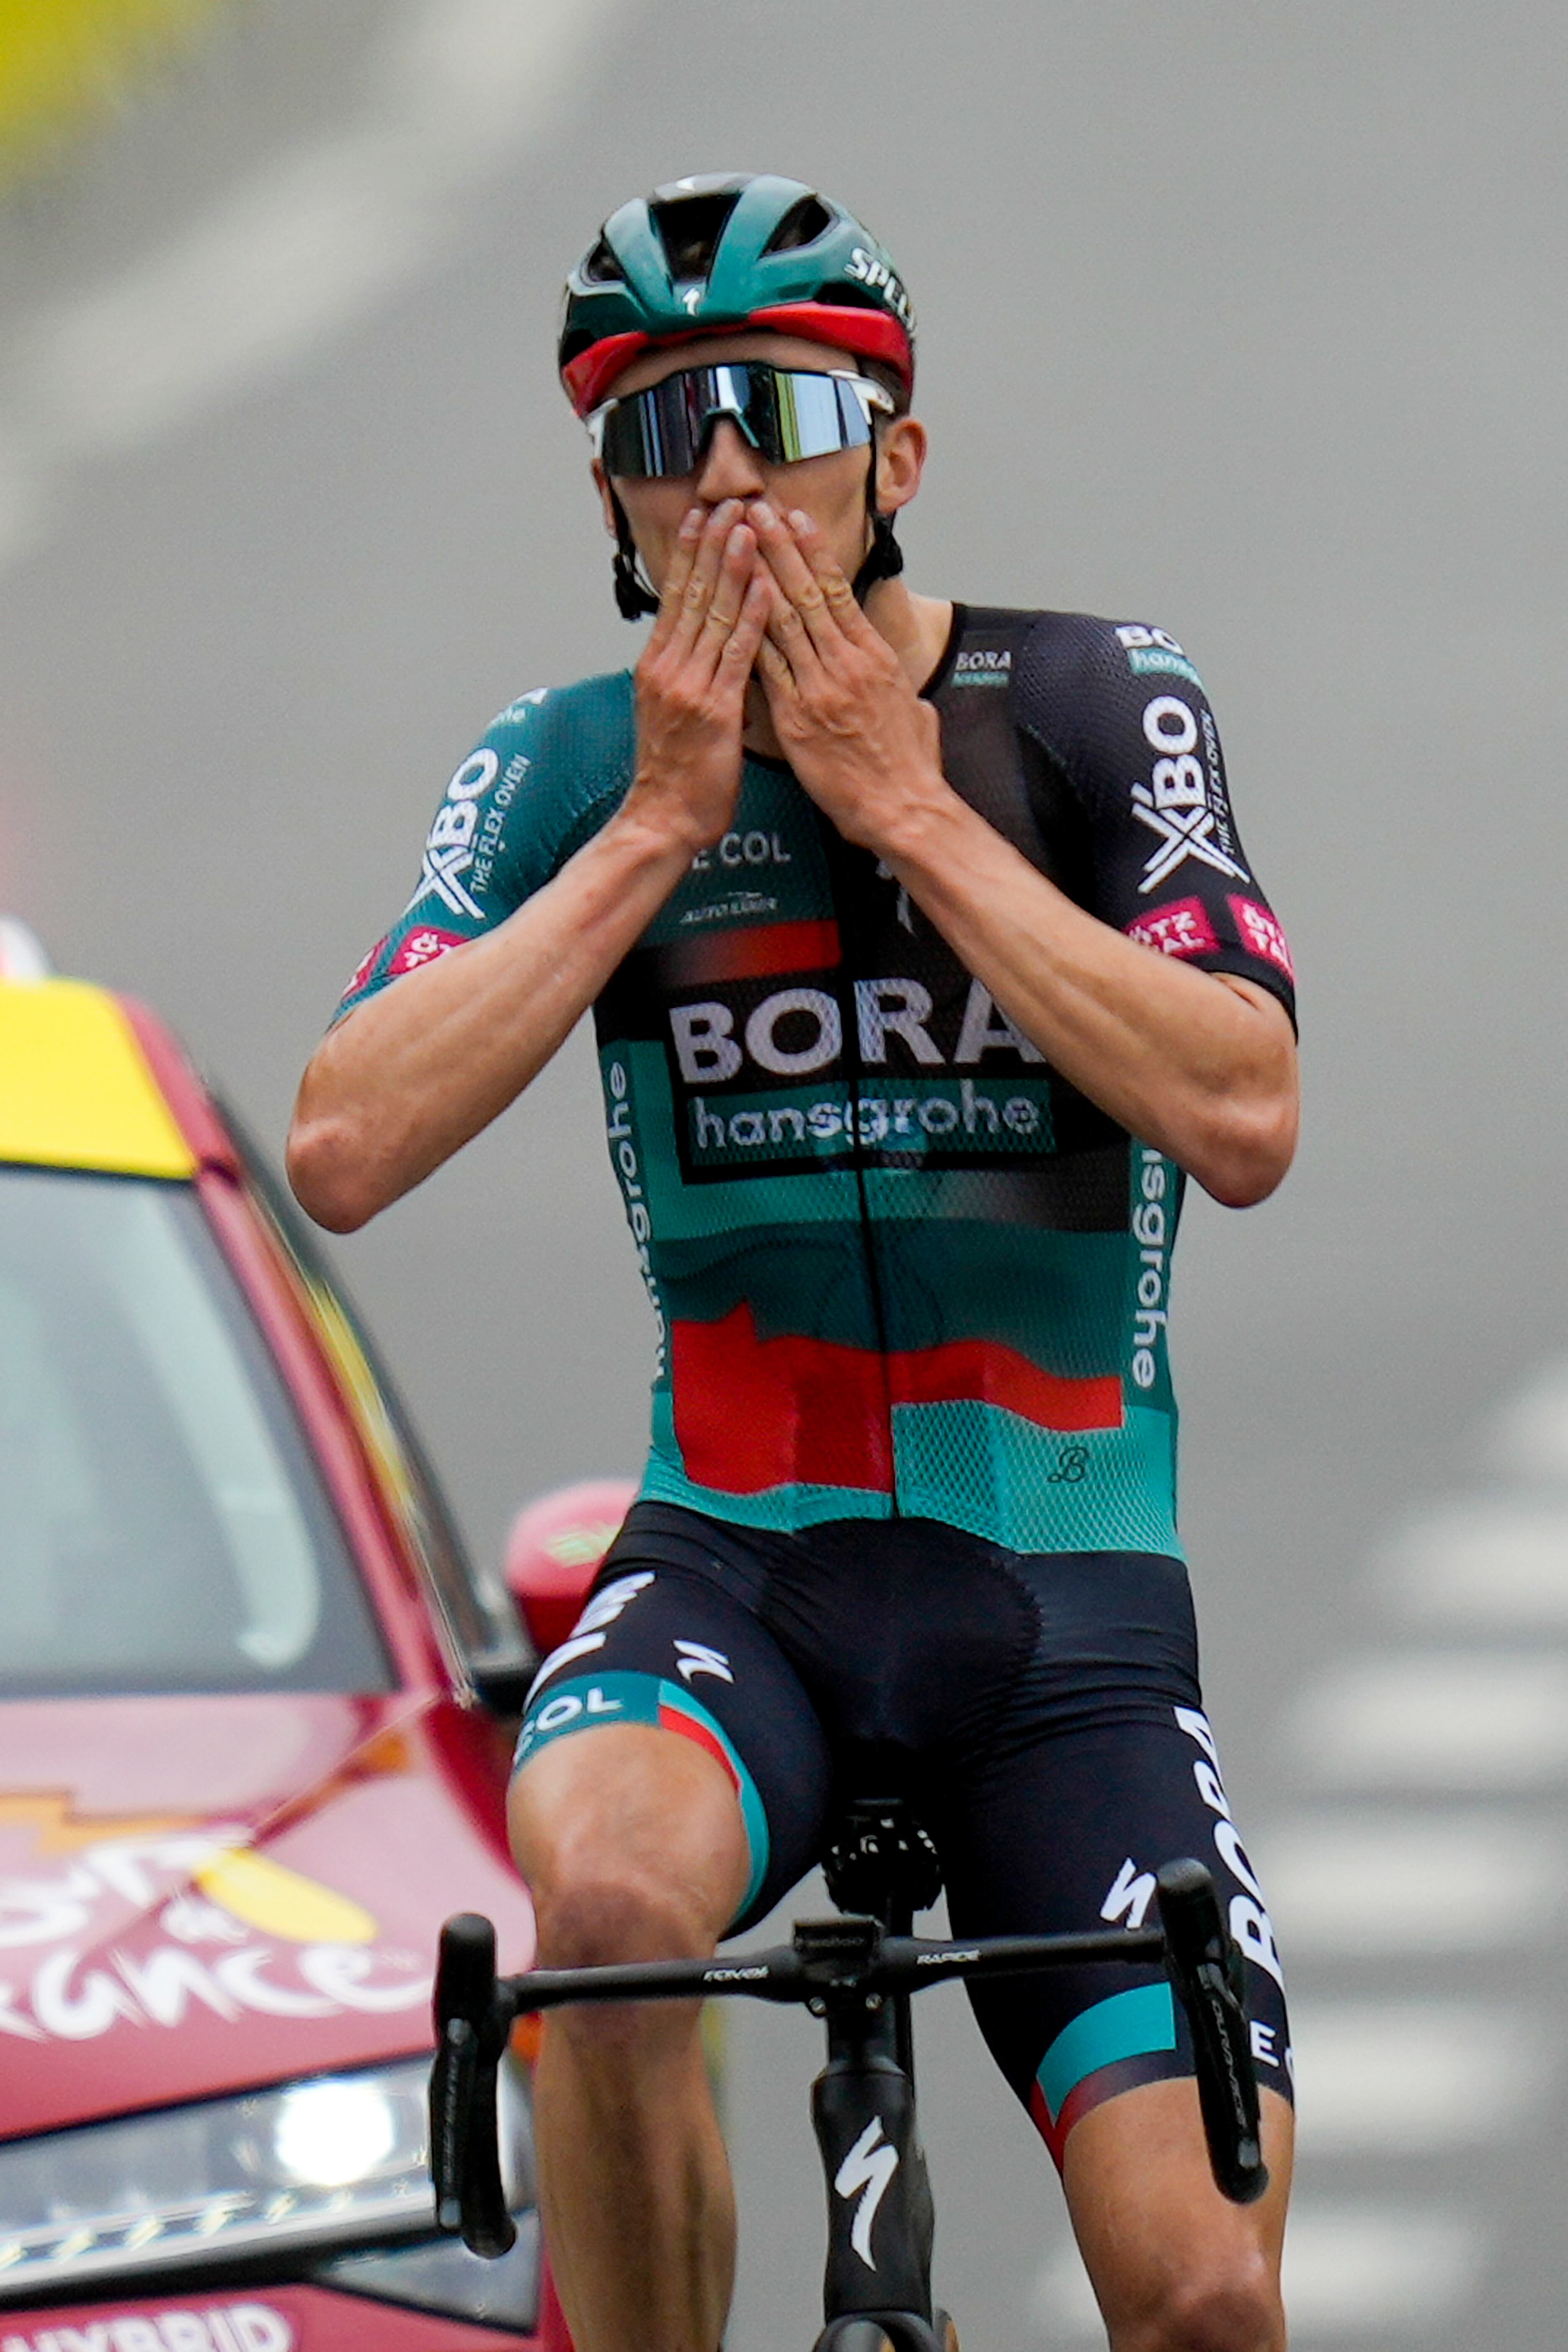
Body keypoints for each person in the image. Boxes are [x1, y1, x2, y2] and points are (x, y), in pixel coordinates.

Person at [288, 173, 1300, 2352]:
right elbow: (346, 1144)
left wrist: (905, 808)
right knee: (605, 1904)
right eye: (666, 431)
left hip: (1065, 1602)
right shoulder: (567, 763)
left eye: (785, 414)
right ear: (615, 501)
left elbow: (1243, 1112)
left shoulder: (1092, 700)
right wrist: (660, 826)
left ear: (896, 460)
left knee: (1207, 2297)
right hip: (737, 1568)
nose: (729, 476)